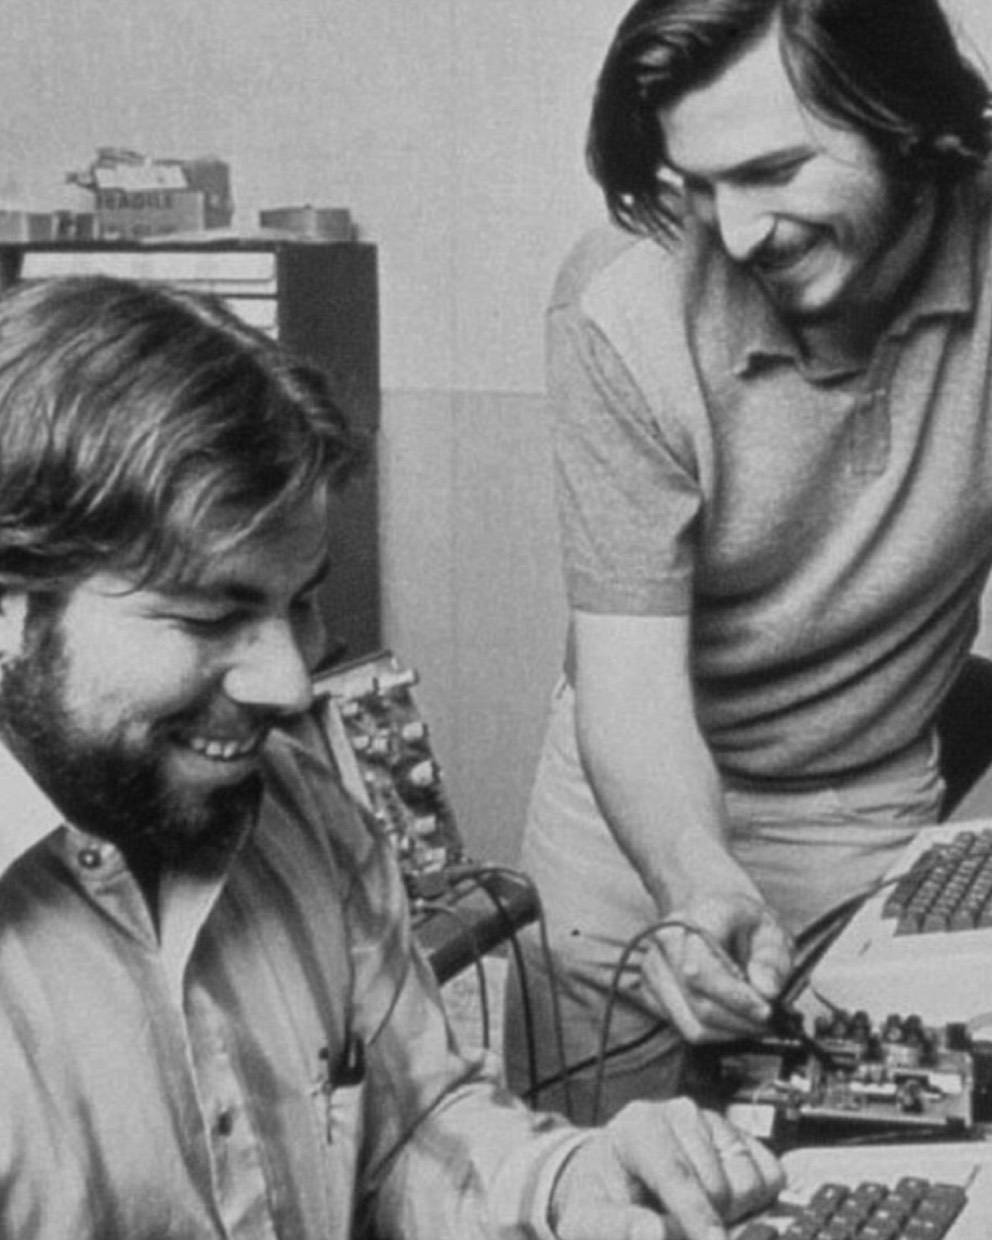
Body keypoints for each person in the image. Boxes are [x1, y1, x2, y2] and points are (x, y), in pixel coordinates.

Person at [0, 274, 783, 1239]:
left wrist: (571, 1185)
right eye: (213, 616)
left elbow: (412, 1130)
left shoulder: (299, 812)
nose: (290, 683)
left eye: (298, 601)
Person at [504, 0, 992, 1123]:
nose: (732, 232)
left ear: (906, 121)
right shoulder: (618, 298)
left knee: (843, 1166)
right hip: (629, 817)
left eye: (770, 169)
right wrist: (694, 879)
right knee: (598, 1168)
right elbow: (626, 684)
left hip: (863, 806)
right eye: (694, 185)